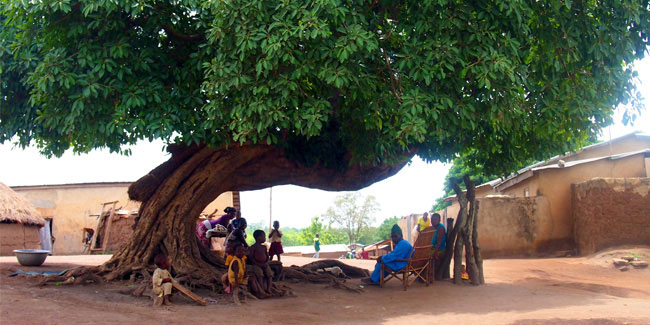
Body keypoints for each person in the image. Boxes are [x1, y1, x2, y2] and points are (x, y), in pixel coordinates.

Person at [247, 230, 273, 298]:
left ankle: (269, 289)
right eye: (263, 237)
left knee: (269, 275)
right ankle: (261, 290)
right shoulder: (253, 247)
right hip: (256, 264)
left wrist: (266, 263)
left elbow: (267, 256)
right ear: (258, 237)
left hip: (265, 264)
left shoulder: (264, 247)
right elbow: (251, 258)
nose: (265, 238)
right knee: (260, 275)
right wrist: (258, 264)